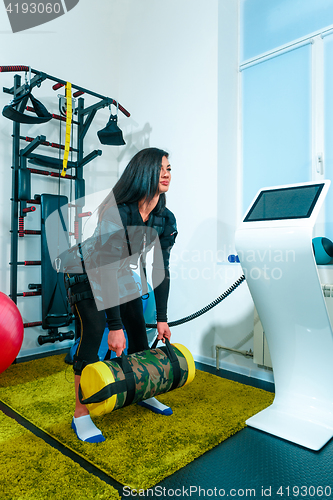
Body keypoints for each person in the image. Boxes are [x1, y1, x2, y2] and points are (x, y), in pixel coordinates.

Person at [63, 147, 177, 443]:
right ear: (144, 172)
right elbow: (102, 268)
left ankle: (144, 391)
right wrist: (114, 325)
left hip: (118, 271)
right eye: (161, 168)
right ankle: (81, 414)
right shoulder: (117, 212)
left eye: (169, 168)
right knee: (95, 332)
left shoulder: (164, 218)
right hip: (86, 271)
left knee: (139, 329)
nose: (167, 173)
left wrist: (162, 319)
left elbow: (160, 271)